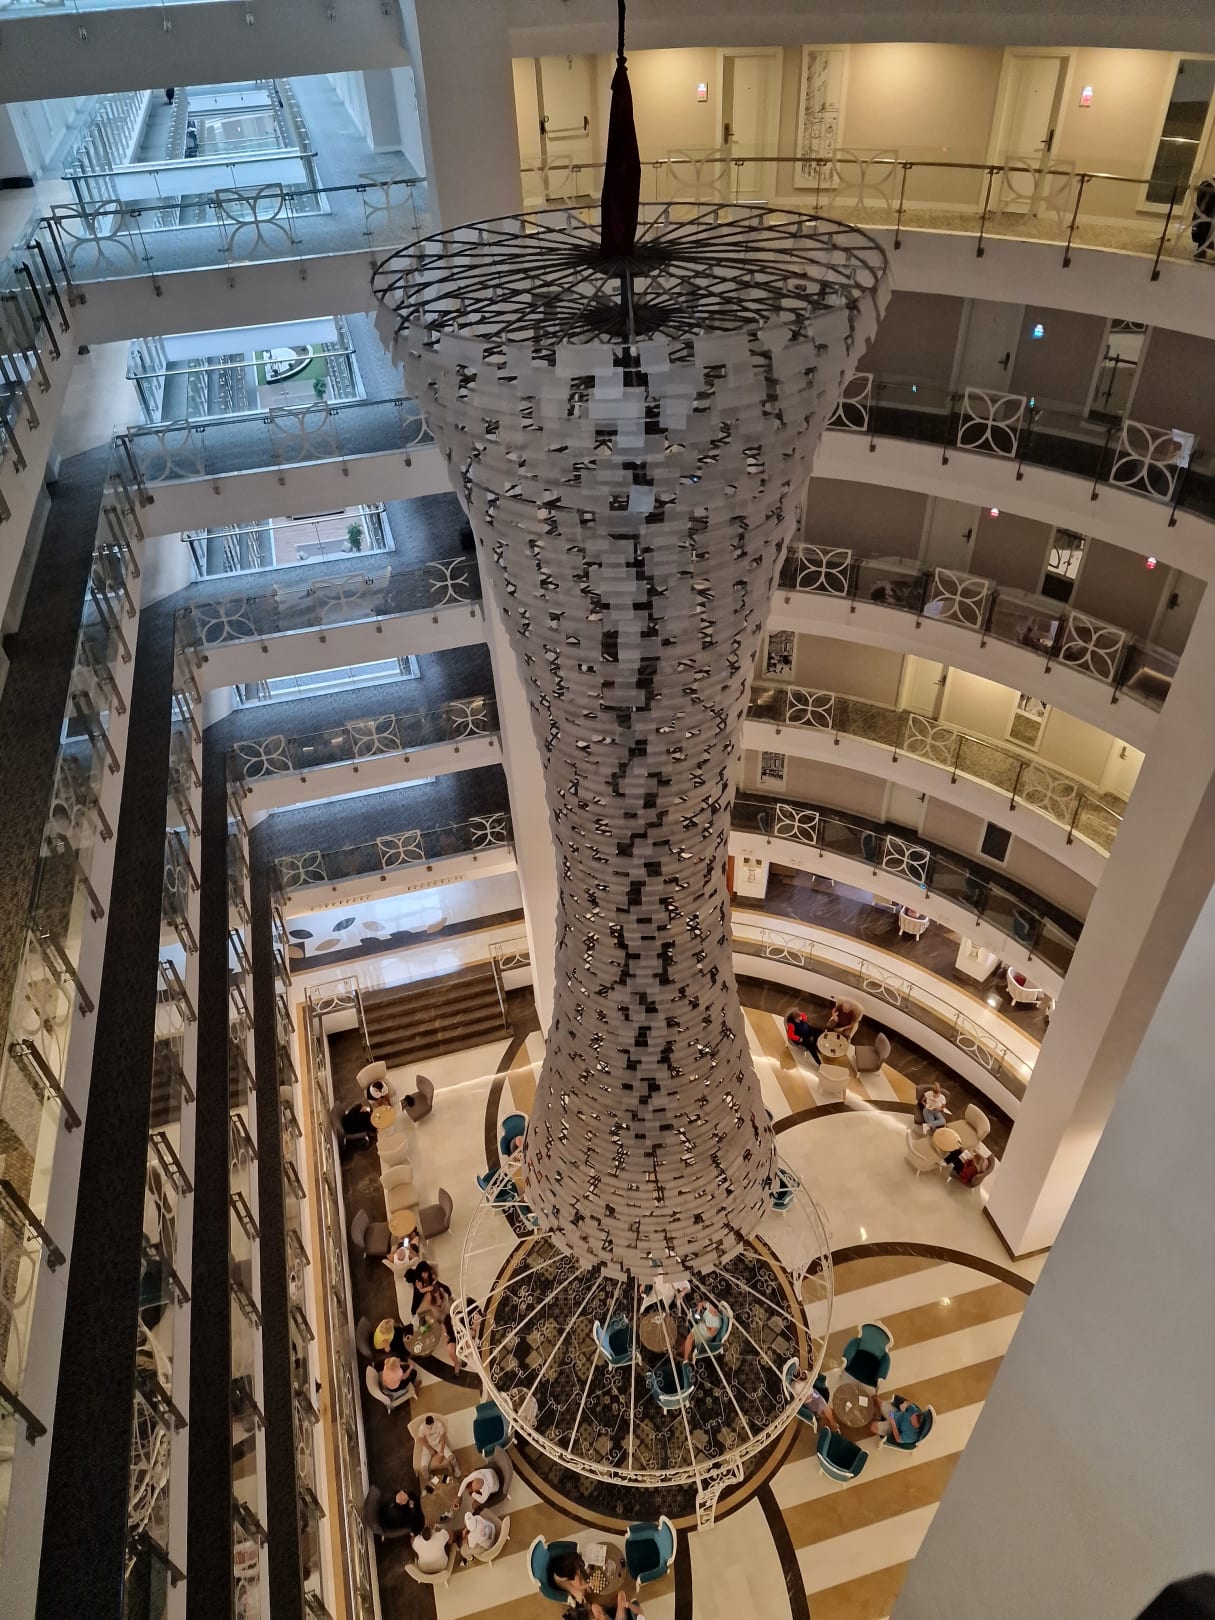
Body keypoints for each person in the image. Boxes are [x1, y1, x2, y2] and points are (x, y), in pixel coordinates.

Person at [789, 1366, 841, 1432]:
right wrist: (806, 1398)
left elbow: (814, 1376)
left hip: (814, 1393)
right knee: (822, 1408)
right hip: (809, 1401)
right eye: (800, 1375)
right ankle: (832, 1423)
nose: (802, 1375)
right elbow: (797, 1400)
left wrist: (808, 1377)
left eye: (801, 1373)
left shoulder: (805, 1374)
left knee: (823, 1405)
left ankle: (832, 1423)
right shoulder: (795, 1386)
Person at [411, 1412, 457, 1482]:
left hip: (438, 1443)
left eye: (431, 1426)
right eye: (428, 1426)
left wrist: (441, 1453)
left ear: (433, 1423)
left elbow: (443, 1438)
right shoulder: (422, 1427)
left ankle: (456, 1468)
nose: (429, 1428)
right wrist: (429, 1449)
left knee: (452, 1457)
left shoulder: (439, 1425)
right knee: (423, 1469)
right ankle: (430, 1478)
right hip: (428, 1445)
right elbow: (420, 1439)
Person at [681, 1298, 723, 1363]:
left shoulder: (717, 1321)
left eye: (713, 1309)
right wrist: (698, 1309)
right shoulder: (710, 1308)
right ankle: (685, 1356)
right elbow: (702, 1303)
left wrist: (704, 1324)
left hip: (705, 1334)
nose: (710, 1310)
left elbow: (711, 1333)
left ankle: (685, 1360)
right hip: (700, 1325)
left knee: (689, 1339)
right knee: (688, 1340)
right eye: (711, 1307)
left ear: (716, 1310)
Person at [1190, 176, 1215, 262]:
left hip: (1206, 217)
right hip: (1206, 217)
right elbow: (1202, 207)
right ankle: (1202, 249)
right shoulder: (1208, 184)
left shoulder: (1207, 184)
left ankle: (1203, 248)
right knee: (1205, 226)